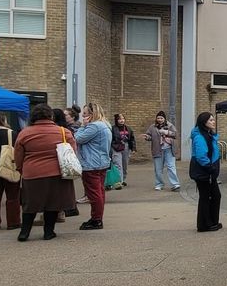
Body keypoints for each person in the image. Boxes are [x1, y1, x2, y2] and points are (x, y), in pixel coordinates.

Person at [13, 103, 78, 241]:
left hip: (32, 173)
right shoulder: (63, 132)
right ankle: (49, 232)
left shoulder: (24, 133)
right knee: (53, 204)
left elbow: (18, 155)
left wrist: (20, 168)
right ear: (51, 116)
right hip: (57, 173)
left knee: (30, 204)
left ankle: (24, 232)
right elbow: (73, 151)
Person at [76, 102, 113, 231]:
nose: (83, 116)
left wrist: (82, 126)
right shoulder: (105, 125)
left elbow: (78, 138)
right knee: (99, 191)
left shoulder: (94, 127)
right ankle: (97, 218)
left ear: (92, 115)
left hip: (91, 164)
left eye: (85, 114)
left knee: (94, 193)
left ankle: (96, 219)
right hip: (101, 162)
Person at [190, 111, 223, 233]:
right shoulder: (200, 137)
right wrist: (210, 168)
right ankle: (205, 225)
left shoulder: (209, 135)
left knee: (214, 196)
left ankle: (212, 222)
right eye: (210, 120)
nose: (213, 122)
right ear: (204, 122)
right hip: (204, 171)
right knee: (206, 197)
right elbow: (200, 156)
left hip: (209, 171)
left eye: (213, 119)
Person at [144, 111, 181, 192]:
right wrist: (147, 137)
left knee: (171, 167)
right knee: (158, 168)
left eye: (161, 118)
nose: (160, 119)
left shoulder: (170, 125)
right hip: (157, 149)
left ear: (164, 118)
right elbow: (149, 135)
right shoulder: (152, 127)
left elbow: (176, 134)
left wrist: (167, 132)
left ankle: (175, 184)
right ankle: (159, 184)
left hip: (169, 149)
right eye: (158, 118)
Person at [110, 113, 136, 188]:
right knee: (118, 164)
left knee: (125, 165)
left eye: (123, 119)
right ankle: (118, 182)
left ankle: (123, 179)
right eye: (119, 119)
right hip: (116, 147)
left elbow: (132, 139)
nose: (121, 120)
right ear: (116, 120)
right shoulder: (113, 128)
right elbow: (111, 139)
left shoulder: (128, 128)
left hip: (126, 147)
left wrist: (133, 148)